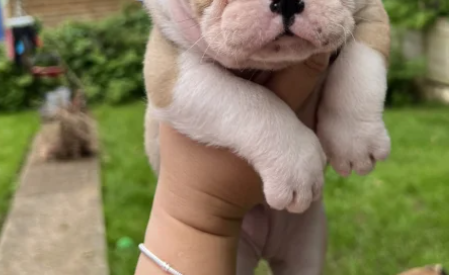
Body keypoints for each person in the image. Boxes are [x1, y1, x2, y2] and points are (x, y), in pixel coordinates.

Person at [135, 53, 330, 275]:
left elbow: (369, 28)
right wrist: (193, 220)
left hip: (302, 209)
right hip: (215, 211)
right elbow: (167, 80)